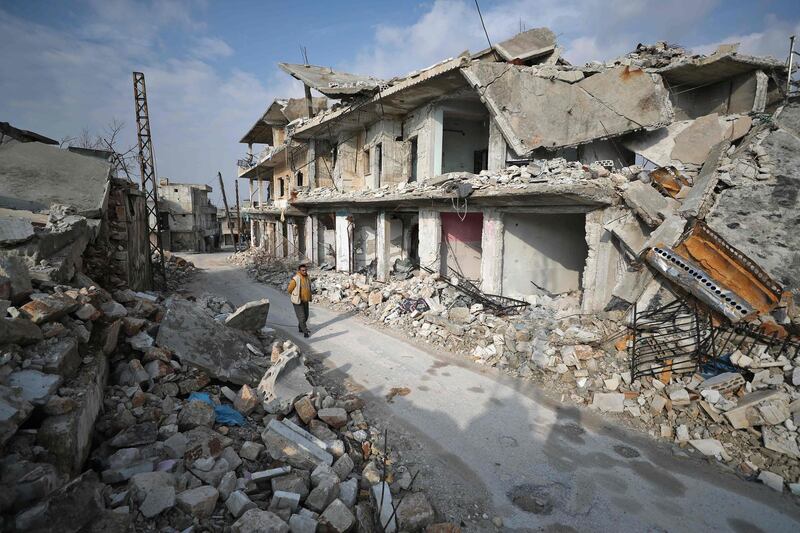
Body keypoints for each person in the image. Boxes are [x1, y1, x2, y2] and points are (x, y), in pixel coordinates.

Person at [287, 264, 312, 337]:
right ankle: (305, 332)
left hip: (305, 300)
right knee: (302, 317)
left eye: (305, 270)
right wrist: (295, 295)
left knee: (306, 316)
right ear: (299, 271)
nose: (304, 271)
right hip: (298, 301)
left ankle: (301, 327)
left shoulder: (307, 278)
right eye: (303, 270)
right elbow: (289, 290)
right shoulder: (296, 279)